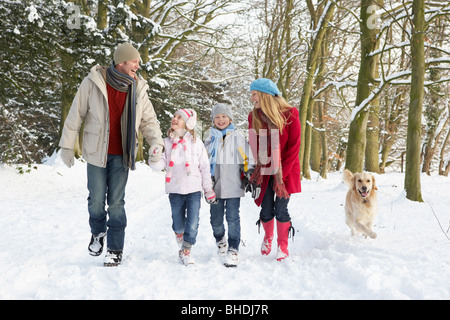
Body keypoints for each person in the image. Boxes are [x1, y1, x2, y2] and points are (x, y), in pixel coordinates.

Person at [59, 42, 164, 267]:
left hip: (122, 154)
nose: (138, 64)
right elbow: (75, 114)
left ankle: (115, 249)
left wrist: (156, 144)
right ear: (121, 62)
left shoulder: (138, 88)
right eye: (134, 61)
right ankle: (98, 233)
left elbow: (149, 120)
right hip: (97, 151)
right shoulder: (93, 82)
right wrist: (67, 146)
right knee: (96, 201)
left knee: (116, 203)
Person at [150, 108, 217, 265]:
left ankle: (186, 250)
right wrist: (154, 158)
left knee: (193, 222)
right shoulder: (166, 143)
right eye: (174, 116)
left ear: (188, 124)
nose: (175, 118)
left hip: (194, 189)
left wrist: (208, 190)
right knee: (178, 222)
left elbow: (204, 168)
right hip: (175, 189)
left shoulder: (196, 143)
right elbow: (160, 165)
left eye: (179, 117)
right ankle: (179, 233)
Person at [247, 78, 301, 261]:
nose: (252, 98)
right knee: (267, 209)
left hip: (287, 169)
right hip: (265, 170)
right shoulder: (253, 115)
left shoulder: (291, 114)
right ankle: (268, 236)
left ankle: (282, 246)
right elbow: (253, 145)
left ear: (264, 94)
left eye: (254, 94)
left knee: (281, 208)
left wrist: (282, 176)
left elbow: (294, 147)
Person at [204, 103, 255, 267]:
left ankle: (233, 248)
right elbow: (203, 160)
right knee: (216, 219)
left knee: (233, 218)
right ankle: (220, 240)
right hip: (214, 186)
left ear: (230, 119)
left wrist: (249, 172)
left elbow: (247, 157)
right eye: (217, 117)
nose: (221, 120)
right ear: (213, 120)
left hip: (233, 185)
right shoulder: (209, 139)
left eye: (224, 116)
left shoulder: (237, 137)